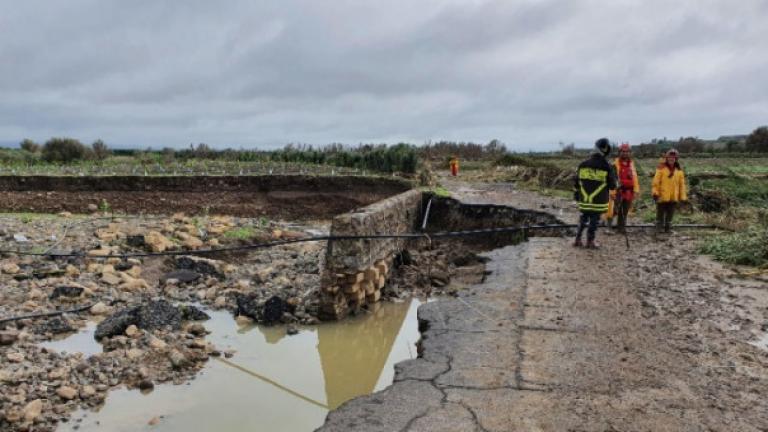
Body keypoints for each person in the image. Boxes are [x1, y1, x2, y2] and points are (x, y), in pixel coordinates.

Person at [573, 138, 617, 249]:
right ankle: (590, 241)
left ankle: (577, 239)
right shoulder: (607, 166)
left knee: (583, 218)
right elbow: (612, 185)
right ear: (606, 150)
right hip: (598, 201)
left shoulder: (582, 165)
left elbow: (576, 182)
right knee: (594, 220)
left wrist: (577, 195)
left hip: (584, 199)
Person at [604, 143, 640, 233]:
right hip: (618, 191)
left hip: (629, 192)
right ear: (619, 152)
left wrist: (636, 190)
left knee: (624, 210)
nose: (625, 153)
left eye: (627, 152)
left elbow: (634, 177)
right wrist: (612, 192)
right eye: (623, 152)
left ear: (629, 153)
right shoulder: (614, 164)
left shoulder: (631, 164)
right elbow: (611, 179)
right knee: (613, 210)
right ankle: (608, 227)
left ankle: (621, 228)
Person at [652, 148, 687, 235]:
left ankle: (668, 229)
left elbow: (682, 185)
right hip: (662, 196)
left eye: (673, 158)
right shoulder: (661, 169)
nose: (671, 159)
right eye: (670, 157)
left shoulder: (679, 171)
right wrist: (655, 193)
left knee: (670, 214)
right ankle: (658, 228)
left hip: (673, 196)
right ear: (666, 158)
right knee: (660, 213)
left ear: (676, 159)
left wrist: (682, 197)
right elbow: (655, 182)